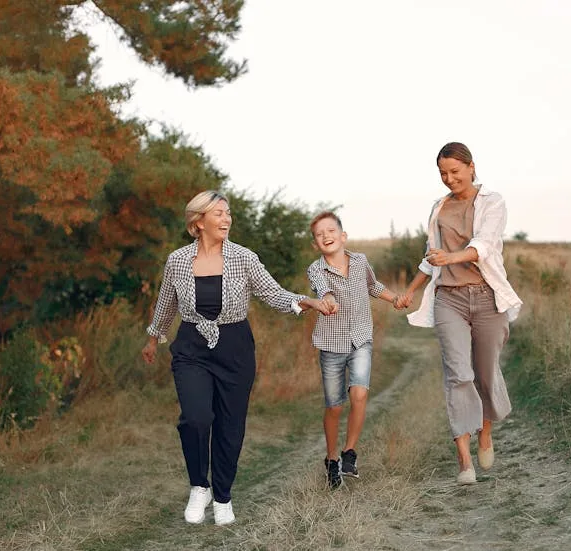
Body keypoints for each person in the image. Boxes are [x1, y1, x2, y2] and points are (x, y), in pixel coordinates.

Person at [142, 190, 333, 525]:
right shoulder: (177, 260)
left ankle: (223, 496)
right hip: (191, 346)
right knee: (196, 417)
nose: (226, 219)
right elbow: (167, 302)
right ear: (198, 221)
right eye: (218, 213)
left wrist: (308, 301)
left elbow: (273, 293)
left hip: (234, 347)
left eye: (228, 213)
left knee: (231, 424)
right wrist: (154, 336)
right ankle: (199, 485)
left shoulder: (244, 258)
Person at [395, 142, 522, 485]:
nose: (449, 179)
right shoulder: (439, 208)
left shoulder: (492, 202)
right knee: (458, 374)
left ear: (471, 167)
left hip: (486, 298)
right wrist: (410, 290)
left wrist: (450, 258)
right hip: (448, 299)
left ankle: (485, 432)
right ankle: (464, 460)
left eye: (454, 171)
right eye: (442, 173)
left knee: (484, 373)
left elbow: (484, 244)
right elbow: (430, 256)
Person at [306, 211, 402, 490]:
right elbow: (322, 288)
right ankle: (332, 458)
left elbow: (373, 286)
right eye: (319, 234)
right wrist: (327, 298)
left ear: (343, 236)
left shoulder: (360, 261)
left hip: (361, 338)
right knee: (335, 406)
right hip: (331, 344)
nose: (326, 236)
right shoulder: (316, 269)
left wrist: (394, 298)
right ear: (316, 244)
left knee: (359, 393)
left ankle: (349, 453)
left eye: (330, 231)